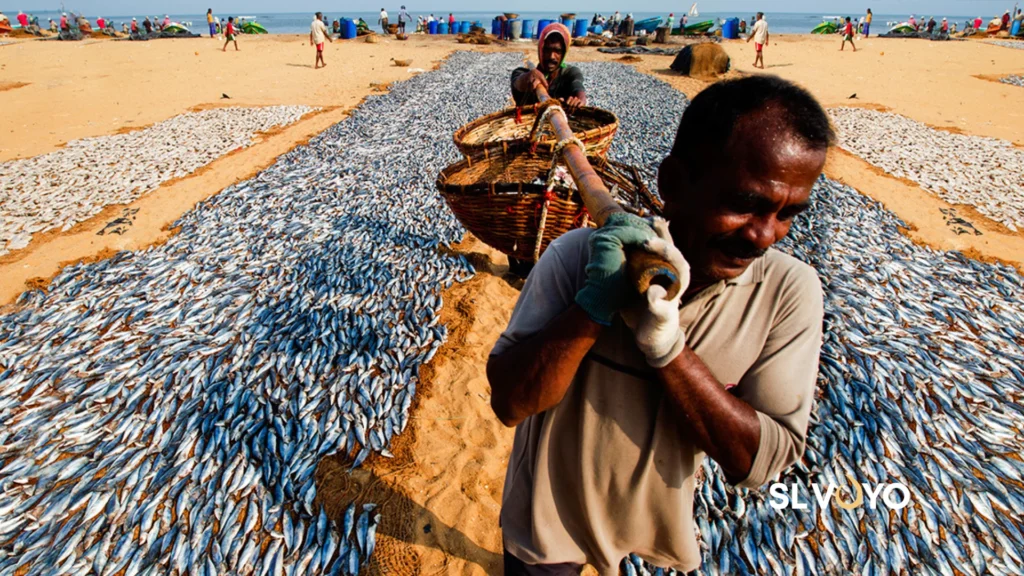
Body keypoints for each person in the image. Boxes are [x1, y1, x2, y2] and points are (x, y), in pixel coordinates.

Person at [489, 74, 832, 576]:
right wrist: (591, 308)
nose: (763, 236)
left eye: (787, 215)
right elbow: (510, 403)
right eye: (743, 203)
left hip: (655, 541)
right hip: (547, 528)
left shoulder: (788, 292)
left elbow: (761, 460)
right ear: (673, 181)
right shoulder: (577, 257)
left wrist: (669, 349)